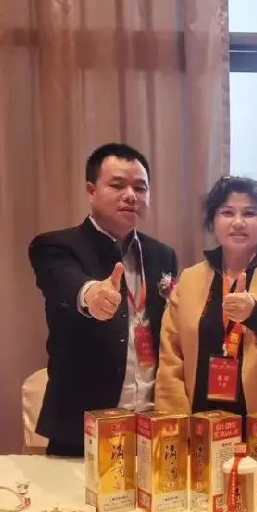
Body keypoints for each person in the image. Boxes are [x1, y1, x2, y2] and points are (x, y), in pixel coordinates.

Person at [29, 143, 178, 456]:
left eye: (140, 188)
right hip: (84, 427)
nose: (130, 196)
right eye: (117, 185)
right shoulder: (55, 246)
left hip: (150, 425)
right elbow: (66, 283)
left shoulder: (162, 255)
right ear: (91, 191)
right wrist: (91, 294)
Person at [156, 176, 257, 419]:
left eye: (250, 213)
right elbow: (171, 357)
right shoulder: (190, 279)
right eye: (227, 212)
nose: (238, 222)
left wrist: (256, 314)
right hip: (200, 421)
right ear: (212, 221)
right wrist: (176, 422)